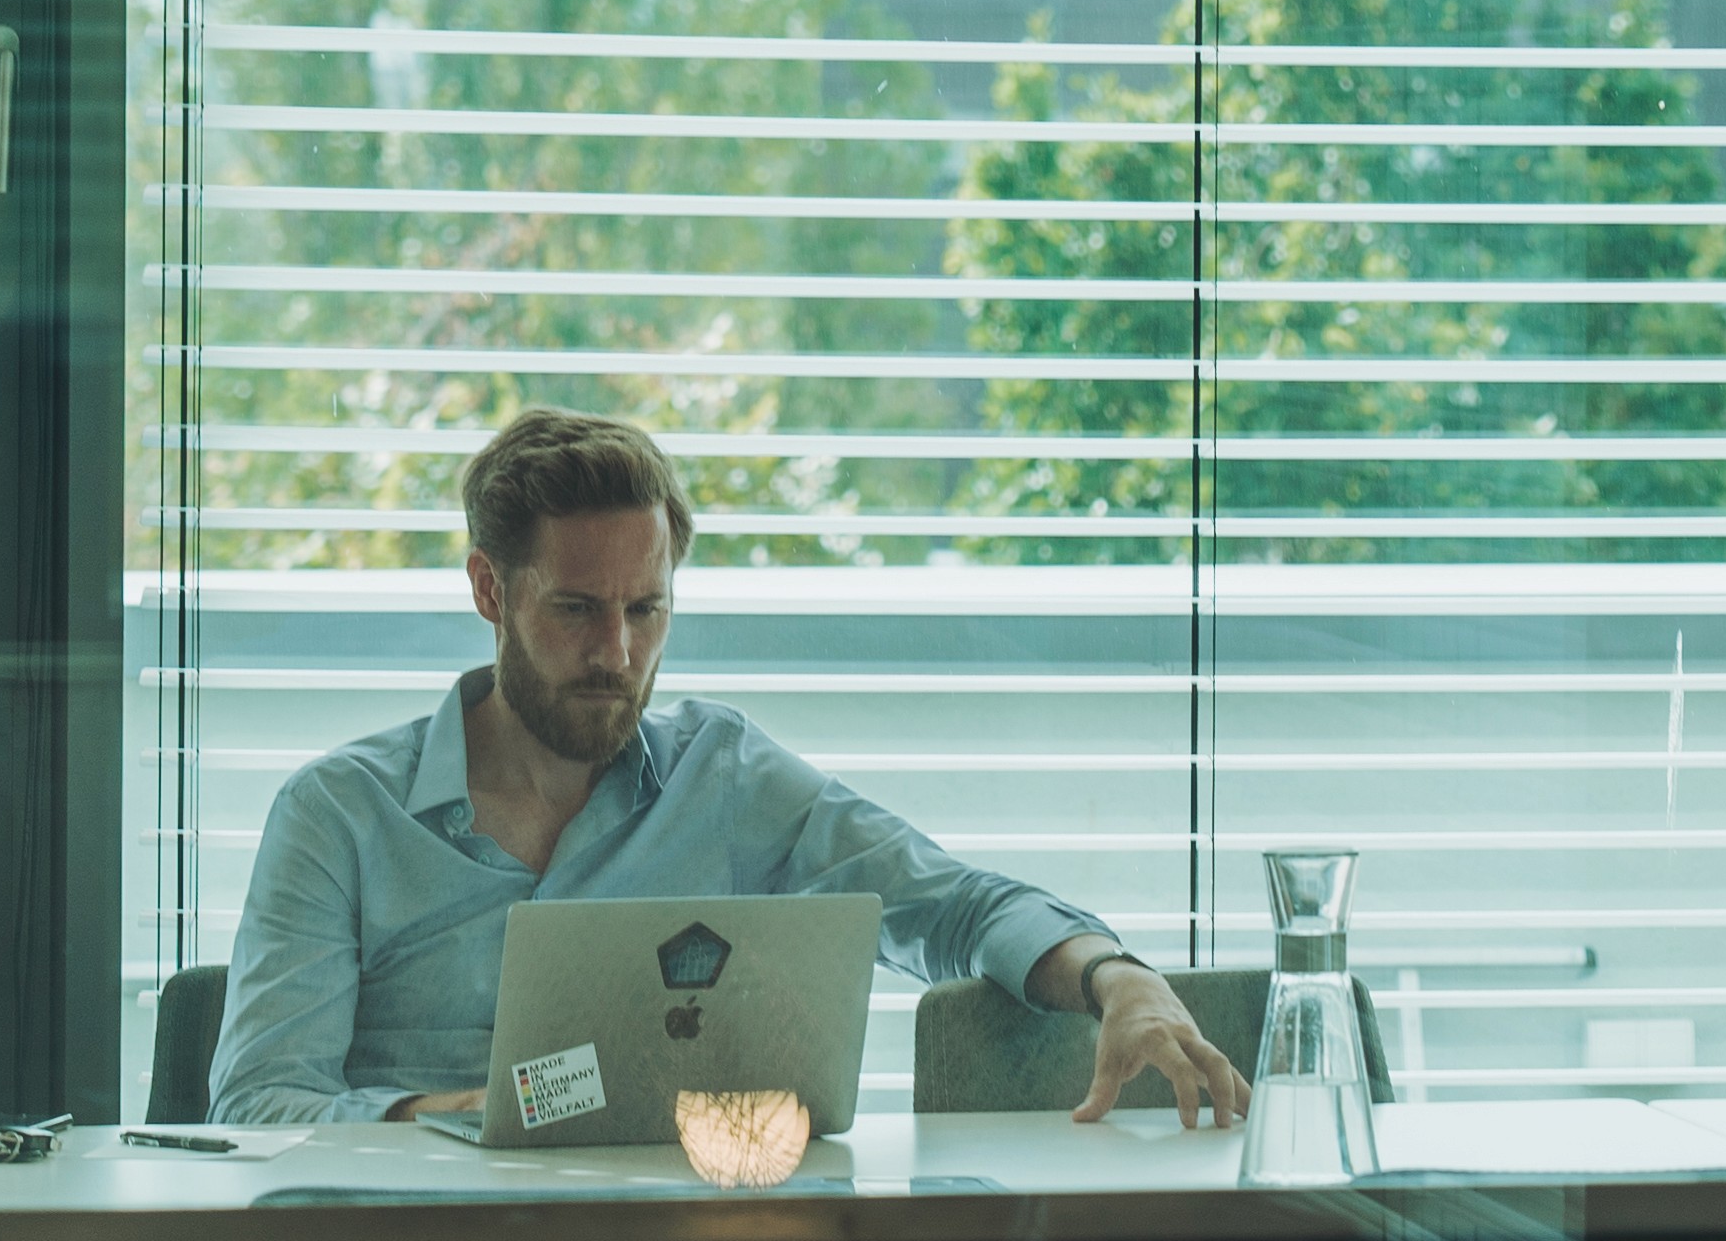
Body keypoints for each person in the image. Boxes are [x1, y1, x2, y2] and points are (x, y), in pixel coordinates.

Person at [210, 409, 1248, 1127]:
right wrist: (456, 1119)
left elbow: (955, 909)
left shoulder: (725, 778)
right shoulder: (340, 815)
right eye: (575, 610)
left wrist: (1122, 978)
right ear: (491, 590)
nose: (617, 655)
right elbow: (259, 1104)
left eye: (646, 610)